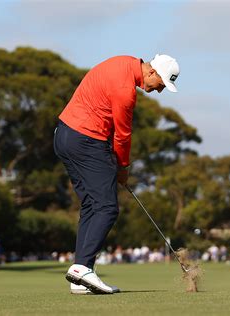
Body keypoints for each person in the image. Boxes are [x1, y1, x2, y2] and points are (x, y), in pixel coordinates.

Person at [54, 54, 180, 295]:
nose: (159, 91)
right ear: (152, 72)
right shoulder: (126, 91)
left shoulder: (122, 61)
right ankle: (82, 267)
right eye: (161, 85)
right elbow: (122, 135)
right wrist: (122, 167)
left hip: (63, 135)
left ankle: (79, 275)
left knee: (92, 204)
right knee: (107, 207)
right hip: (86, 139)